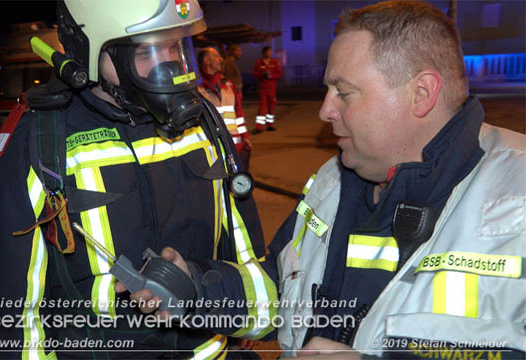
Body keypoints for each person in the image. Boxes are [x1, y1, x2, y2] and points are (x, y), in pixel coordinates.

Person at [135, 1, 525, 359]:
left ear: (421, 93)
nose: (324, 111)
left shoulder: (516, 193)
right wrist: (198, 291)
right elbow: (283, 290)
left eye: (344, 92)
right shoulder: (333, 179)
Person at [0, 0, 275, 358]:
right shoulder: (38, 143)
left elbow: (251, 264)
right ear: (93, 50)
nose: (170, 65)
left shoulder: (204, 125)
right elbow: (13, 315)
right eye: (147, 50)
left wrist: (225, 304)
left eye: (177, 46)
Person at [197, 47, 252, 168]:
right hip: (212, 148)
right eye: (216, 56)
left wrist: (245, 137)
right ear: (206, 61)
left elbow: (238, 114)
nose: (221, 59)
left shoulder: (228, 84)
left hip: (235, 145)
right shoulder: (196, 89)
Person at [252, 46, 282, 133]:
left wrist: (271, 76)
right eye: (268, 51)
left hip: (272, 88)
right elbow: (255, 74)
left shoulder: (274, 62)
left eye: (271, 51)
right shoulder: (259, 63)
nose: (270, 53)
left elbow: (279, 74)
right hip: (262, 88)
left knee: (271, 107)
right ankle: (259, 127)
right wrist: (262, 74)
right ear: (264, 53)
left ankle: (270, 125)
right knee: (262, 107)